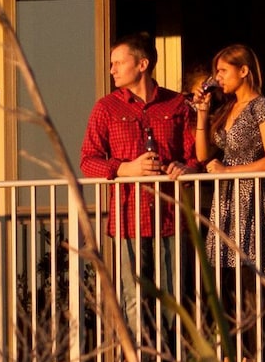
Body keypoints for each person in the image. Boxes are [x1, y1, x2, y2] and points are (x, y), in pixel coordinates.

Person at [79, 31, 197, 246]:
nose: (112, 70)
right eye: (111, 64)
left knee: (172, 280)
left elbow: (194, 158)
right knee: (131, 280)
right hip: (129, 219)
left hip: (170, 218)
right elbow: (88, 161)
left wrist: (186, 170)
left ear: (142, 64)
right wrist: (126, 169)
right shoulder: (106, 107)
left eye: (118, 63)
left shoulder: (177, 103)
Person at [191, 44, 265, 284]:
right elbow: (202, 155)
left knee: (249, 275)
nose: (217, 78)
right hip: (224, 200)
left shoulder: (261, 106)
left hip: (250, 197)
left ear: (243, 71)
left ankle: (257, 321)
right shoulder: (228, 108)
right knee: (224, 278)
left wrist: (227, 170)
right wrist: (202, 113)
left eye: (223, 71)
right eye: (216, 72)